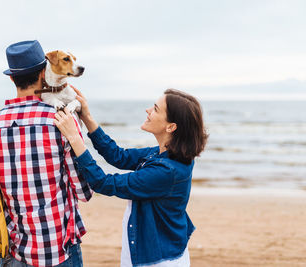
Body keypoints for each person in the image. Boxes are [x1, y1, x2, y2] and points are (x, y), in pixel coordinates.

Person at [0, 40, 92, 267]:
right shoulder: (62, 119)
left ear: (12, 78)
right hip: (58, 249)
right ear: (44, 72)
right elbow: (84, 191)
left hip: (12, 249)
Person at [54, 88, 208, 267]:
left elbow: (104, 183)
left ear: (171, 126)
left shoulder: (166, 171)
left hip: (158, 259)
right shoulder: (164, 154)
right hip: (153, 249)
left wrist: (74, 137)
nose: (148, 110)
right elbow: (119, 156)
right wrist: (87, 117)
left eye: (156, 109)